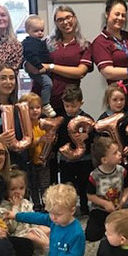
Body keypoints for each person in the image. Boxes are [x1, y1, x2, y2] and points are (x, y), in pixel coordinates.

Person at [5, 183, 85, 256]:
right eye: (51, 213)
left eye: (58, 214)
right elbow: (35, 217)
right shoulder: (53, 219)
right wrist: (16, 215)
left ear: (72, 210)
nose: (53, 218)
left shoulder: (77, 232)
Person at [30, 5, 93, 114]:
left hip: (68, 104)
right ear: (56, 23)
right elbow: (30, 62)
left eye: (68, 17)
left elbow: (80, 72)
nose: (65, 22)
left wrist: (51, 67)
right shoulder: (46, 43)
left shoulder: (84, 46)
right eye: (60, 20)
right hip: (41, 104)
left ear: (75, 18)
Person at [56, 84, 93, 215]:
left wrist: (87, 135)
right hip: (67, 160)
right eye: (67, 106)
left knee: (83, 185)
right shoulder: (61, 120)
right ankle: (68, 208)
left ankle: (84, 207)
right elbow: (58, 139)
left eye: (73, 106)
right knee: (67, 185)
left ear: (80, 103)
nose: (70, 109)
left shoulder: (86, 119)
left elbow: (94, 135)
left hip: (84, 159)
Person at [85, 136, 128, 242]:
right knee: (91, 236)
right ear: (104, 160)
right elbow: (90, 195)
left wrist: (122, 201)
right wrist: (104, 203)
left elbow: (126, 188)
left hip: (117, 209)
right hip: (99, 210)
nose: (119, 154)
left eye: (118, 151)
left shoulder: (122, 171)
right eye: (115, 153)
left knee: (125, 231)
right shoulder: (94, 175)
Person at [0, 166, 50, 249]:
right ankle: (49, 248)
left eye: (21, 188)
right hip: (19, 235)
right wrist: (15, 207)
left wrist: (38, 229)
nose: (18, 192)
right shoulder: (4, 207)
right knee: (32, 237)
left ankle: (60, 244)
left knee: (47, 229)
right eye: (13, 189)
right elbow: (11, 228)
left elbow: (33, 218)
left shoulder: (25, 202)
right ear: (6, 190)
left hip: (31, 229)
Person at [18, 93, 52, 211]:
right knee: (32, 186)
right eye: (31, 108)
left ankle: (47, 206)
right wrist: (39, 140)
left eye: (37, 107)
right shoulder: (23, 125)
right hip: (30, 161)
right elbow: (27, 143)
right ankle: (36, 206)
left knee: (45, 186)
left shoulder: (43, 124)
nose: (35, 111)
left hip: (43, 161)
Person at [22, 15, 55, 118]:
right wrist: (39, 66)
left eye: (41, 30)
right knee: (47, 83)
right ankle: (45, 104)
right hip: (37, 69)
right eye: (36, 31)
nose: (40, 33)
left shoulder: (40, 42)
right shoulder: (29, 43)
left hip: (43, 69)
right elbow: (31, 56)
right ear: (27, 30)